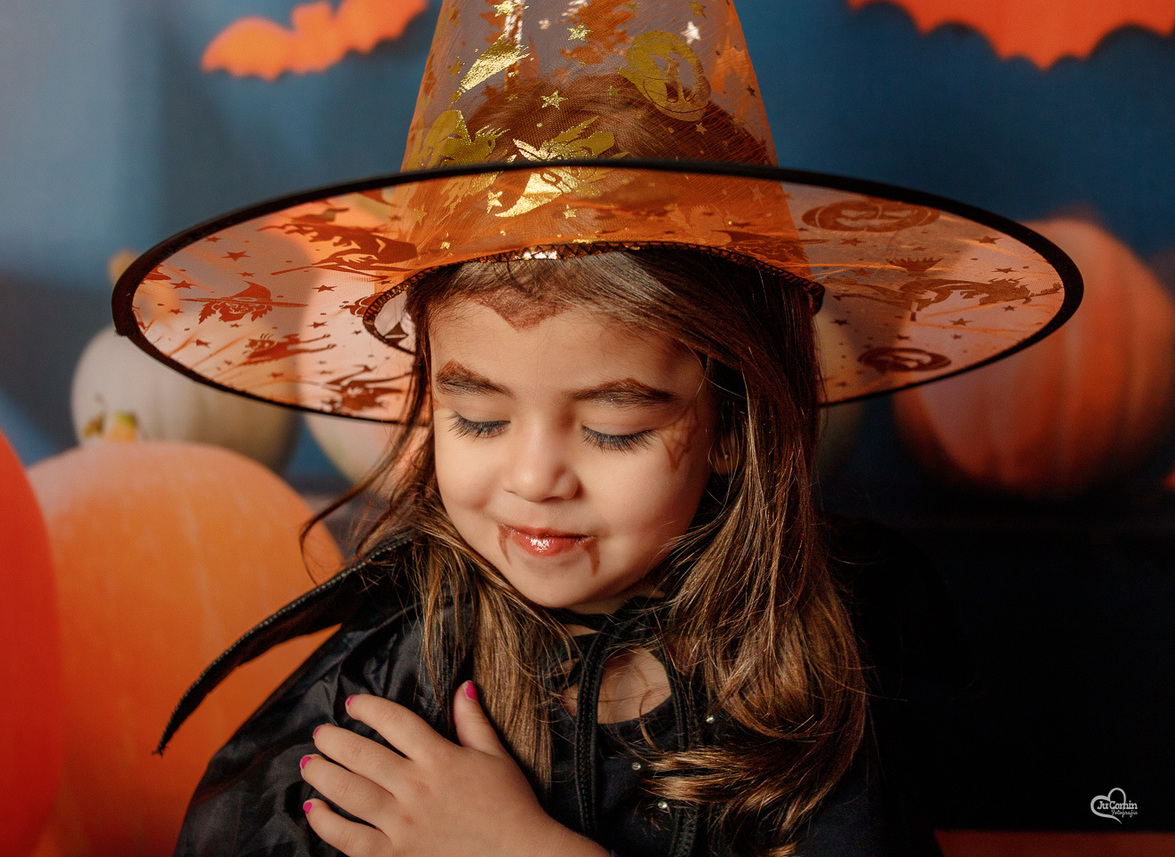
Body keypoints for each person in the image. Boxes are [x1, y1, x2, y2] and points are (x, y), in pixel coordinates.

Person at [115, 1, 1080, 854]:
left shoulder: (805, 696)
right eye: (478, 418)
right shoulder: (386, 684)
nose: (536, 476)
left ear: (733, 419)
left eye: (615, 428)